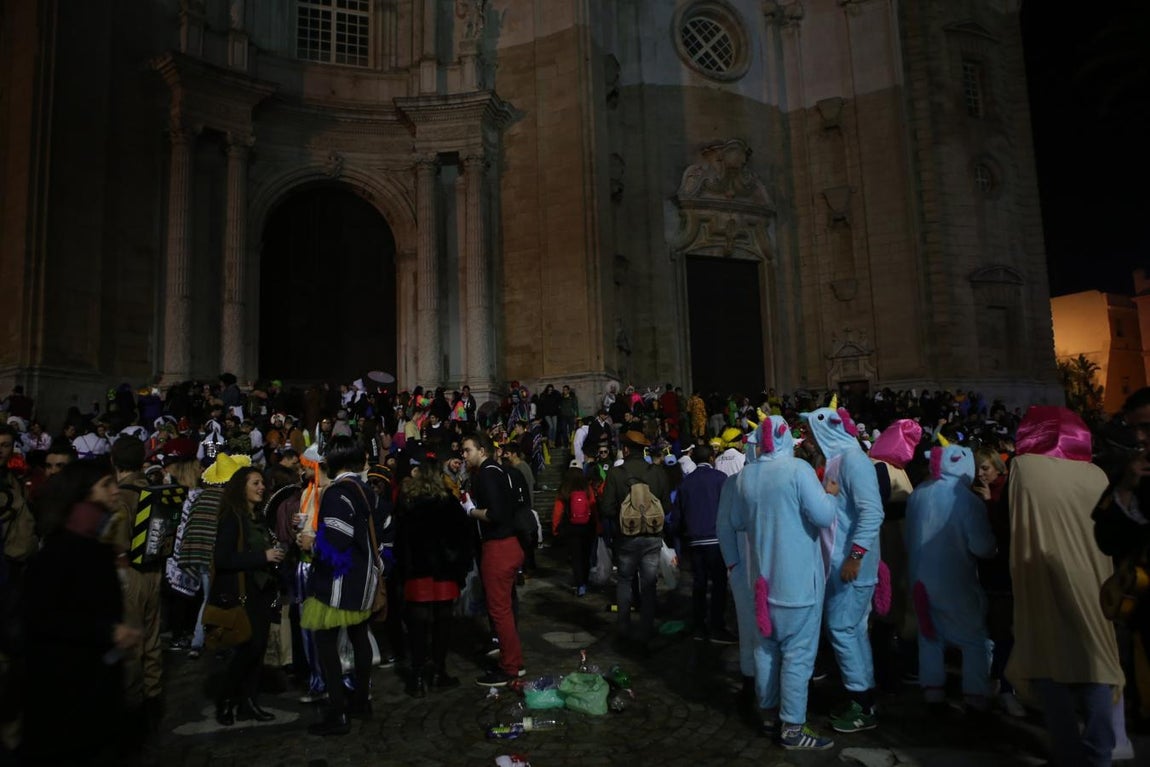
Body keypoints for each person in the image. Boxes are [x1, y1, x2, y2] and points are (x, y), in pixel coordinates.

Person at [1008, 406, 1123, 767]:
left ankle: (1067, 752)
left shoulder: (1024, 469)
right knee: (1095, 661)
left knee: (1050, 658)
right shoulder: (1097, 474)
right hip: (1094, 576)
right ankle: (1100, 752)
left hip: (1040, 573)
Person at [718, 415, 839, 750]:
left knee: (766, 651)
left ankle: (769, 715)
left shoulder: (746, 477)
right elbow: (825, 516)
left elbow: (737, 521)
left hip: (762, 585)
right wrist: (830, 494)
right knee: (798, 656)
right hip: (797, 585)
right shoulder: (798, 471)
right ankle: (793, 728)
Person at [20, 458, 141, 766]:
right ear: (82, 493)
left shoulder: (97, 545)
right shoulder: (61, 549)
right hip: (65, 692)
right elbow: (39, 618)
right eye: (106, 485)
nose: (115, 491)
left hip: (97, 688)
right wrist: (106, 632)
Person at [801, 397, 884, 733]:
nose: (806, 436)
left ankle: (862, 705)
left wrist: (856, 556)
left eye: (810, 429)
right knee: (853, 630)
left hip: (852, 565)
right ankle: (862, 696)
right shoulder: (837, 460)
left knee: (842, 628)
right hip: (839, 563)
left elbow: (872, 511)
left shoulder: (854, 461)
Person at [905, 439, 997, 712]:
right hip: (955, 580)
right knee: (973, 639)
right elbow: (982, 547)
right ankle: (975, 695)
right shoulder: (967, 500)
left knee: (930, 634)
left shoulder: (919, 493)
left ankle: (932, 689)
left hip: (919, 578)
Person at [301, 436, 380, 735]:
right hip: (362, 581)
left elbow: (336, 542)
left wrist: (310, 543)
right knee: (359, 638)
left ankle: (338, 712)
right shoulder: (364, 489)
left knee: (326, 645)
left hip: (338, 583)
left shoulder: (337, 493)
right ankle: (361, 700)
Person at [394, 450, 474, 697]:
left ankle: (418, 675)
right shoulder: (448, 503)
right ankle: (438, 670)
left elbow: (400, 541)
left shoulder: (408, 504)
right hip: (443, 570)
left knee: (417, 625)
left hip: (418, 570)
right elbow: (463, 536)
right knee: (442, 621)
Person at [213, 466, 284, 726]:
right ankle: (227, 699)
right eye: (255, 483)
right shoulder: (233, 517)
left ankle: (248, 702)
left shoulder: (257, 517)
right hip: (242, 591)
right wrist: (261, 557)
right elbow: (222, 559)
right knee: (247, 649)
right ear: (241, 486)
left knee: (258, 649)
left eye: (262, 483)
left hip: (261, 591)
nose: (261, 487)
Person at [462, 431, 525, 687]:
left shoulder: (487, 474)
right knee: (504, 609)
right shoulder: (499, 471)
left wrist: (471, 511)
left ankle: (509, 667)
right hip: (510, 545)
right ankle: (514, 661)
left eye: (468, 450)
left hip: (498, 547)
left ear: (482, 451)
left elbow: (497, 514)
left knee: (499, 611)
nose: (464, 455)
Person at [600, 430, 671, 649]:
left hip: (626, 538)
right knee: (649, 583)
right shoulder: (657, 472)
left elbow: (606, 508)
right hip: (652, 537)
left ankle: (623, 626)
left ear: (626, 449)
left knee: (624, 581)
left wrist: (625, 516)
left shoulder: (616, 473)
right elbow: (667, 507)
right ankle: (646, 628)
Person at [676, 443, 736, 643]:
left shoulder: (686, 483)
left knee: (699, 583)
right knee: (719, 583)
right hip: (716, 538)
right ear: (712, 458)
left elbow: (678, 514)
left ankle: (699, 625)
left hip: (694, 540)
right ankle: (717, 625)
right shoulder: (720, 479)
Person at [552, 466, 599, 597]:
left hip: (571, 527)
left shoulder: (565, 489)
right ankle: (585, 579)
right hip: (587, 526)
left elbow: (557, 510)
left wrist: (555, 528)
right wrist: (597, 525)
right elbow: (593, 506)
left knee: (576, 557)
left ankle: (580, 585)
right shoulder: (586, 488)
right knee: (586, 555)